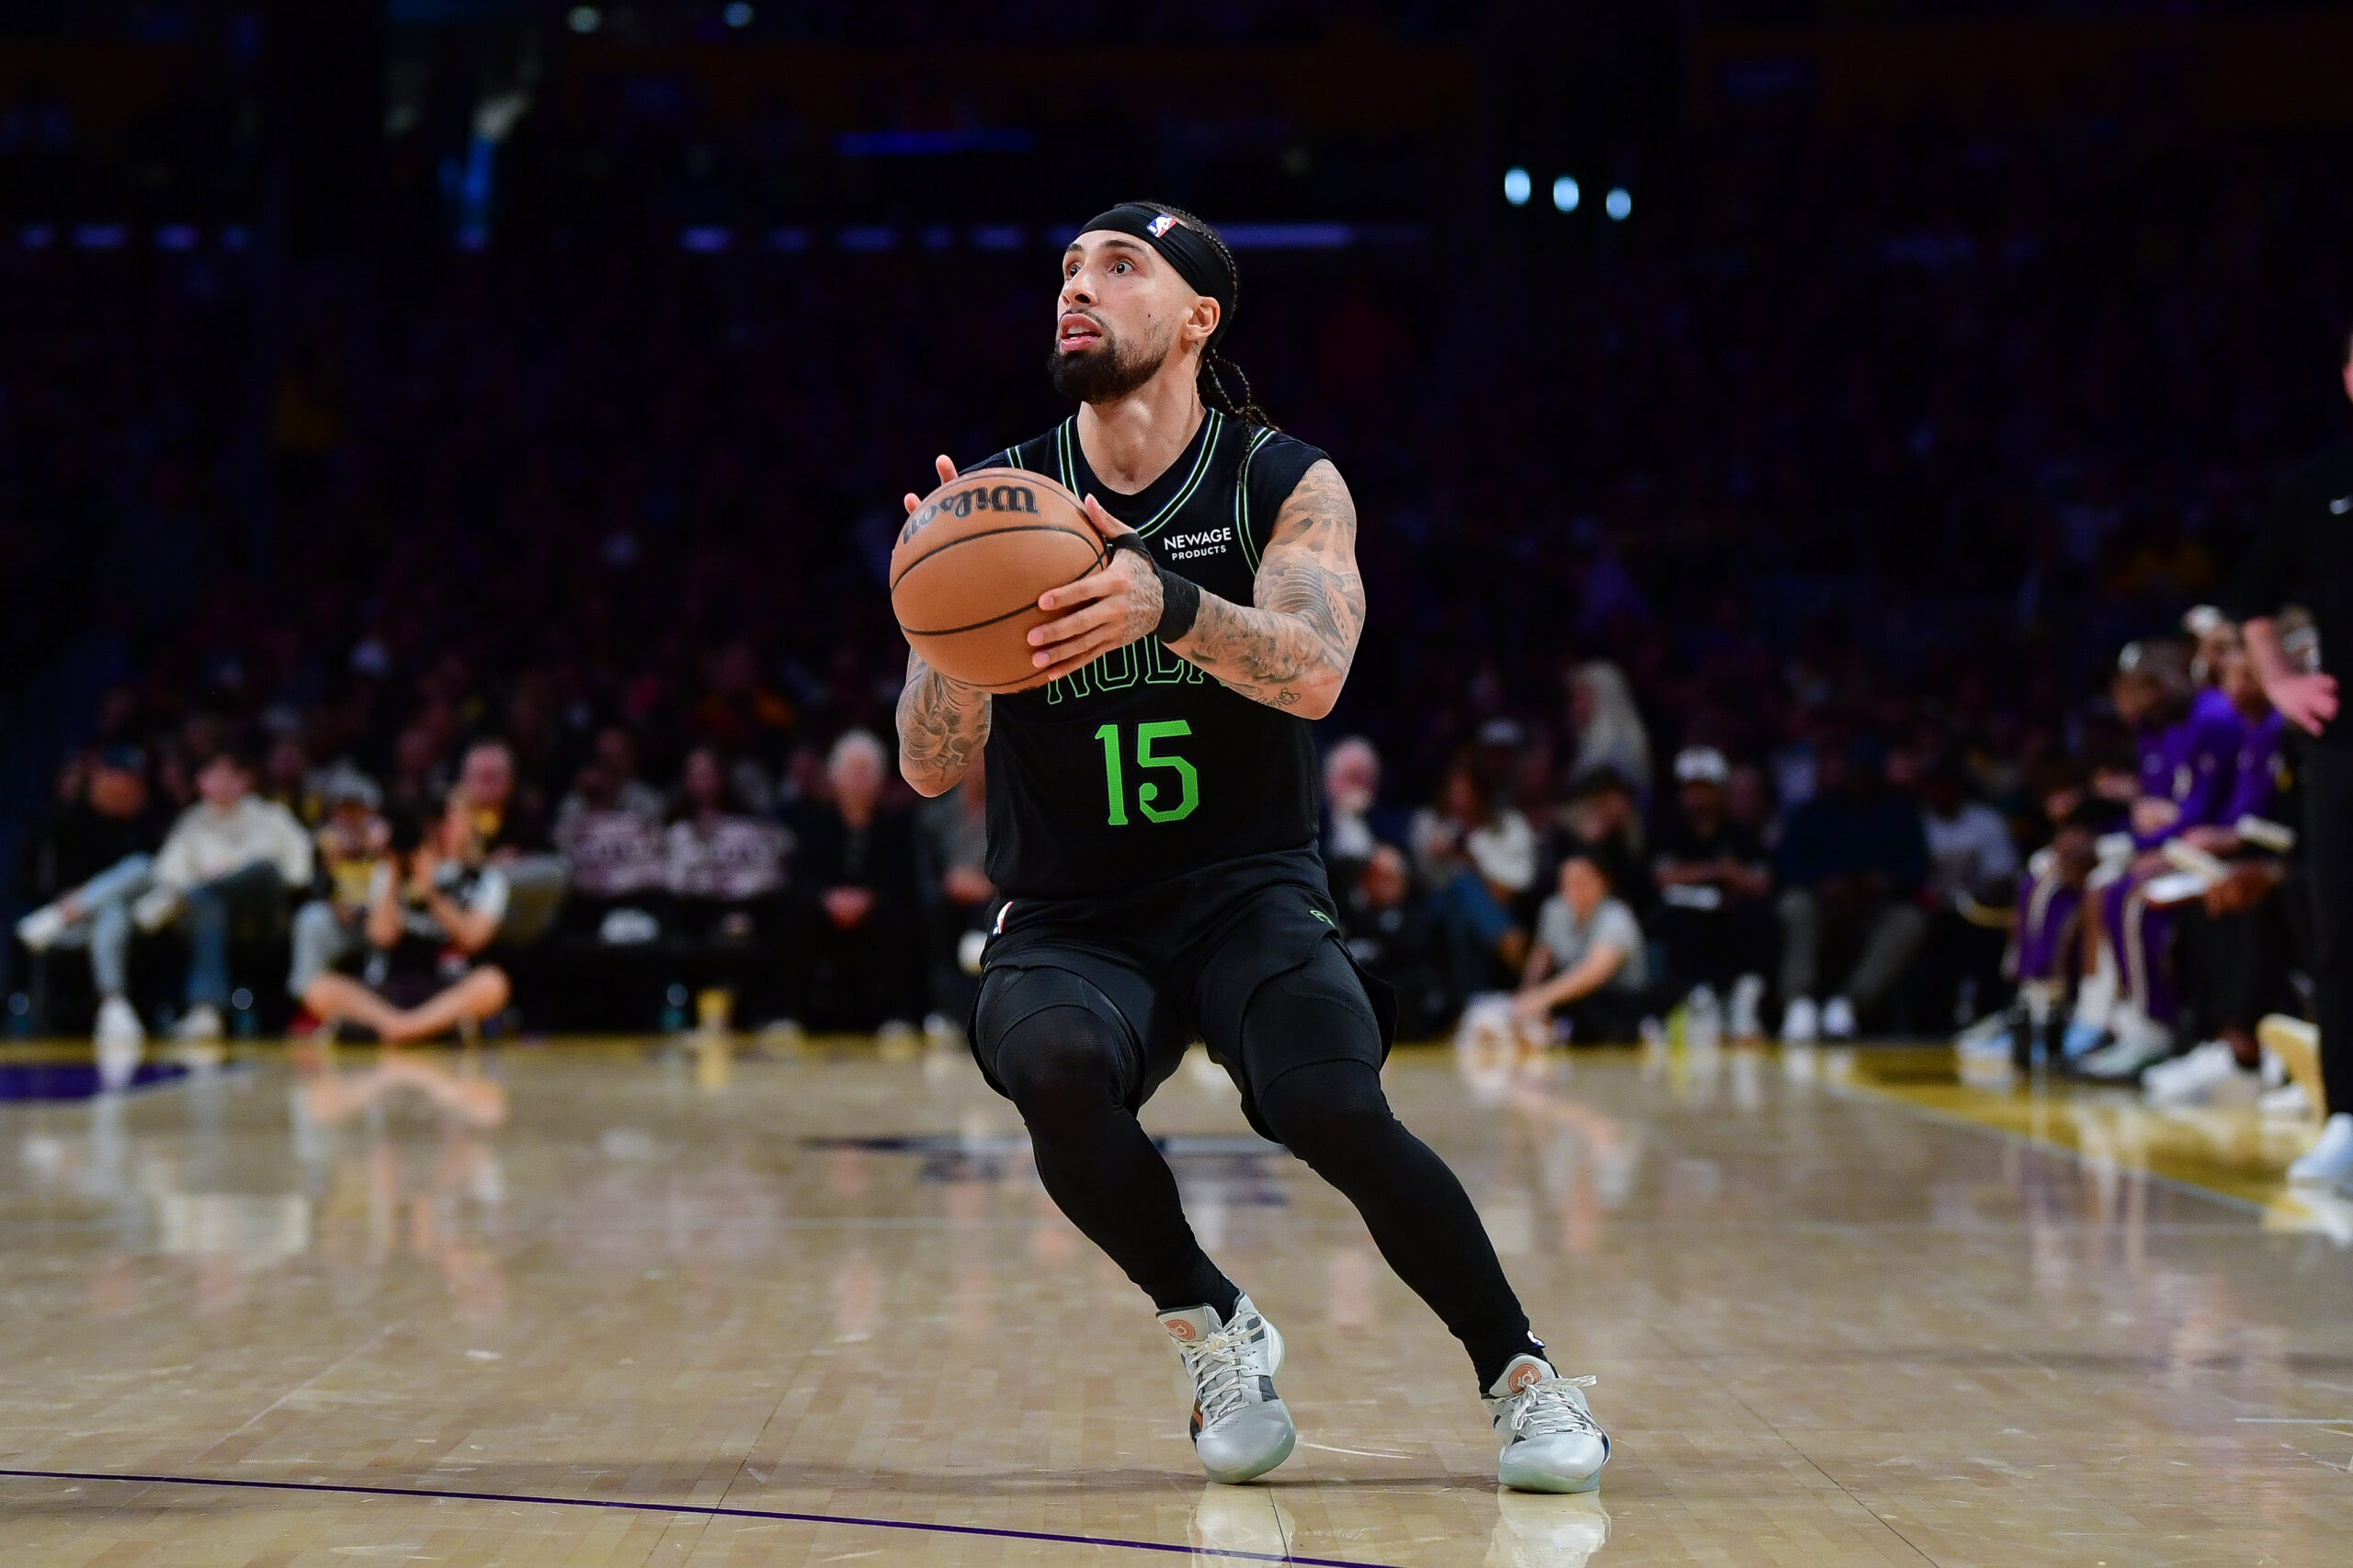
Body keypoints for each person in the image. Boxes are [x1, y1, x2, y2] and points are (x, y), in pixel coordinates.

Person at [892, 202, 1605, 1493]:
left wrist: (1163, 600)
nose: (1079, 286)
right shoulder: (1002, 494)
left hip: (1247, 890)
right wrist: (947, 625)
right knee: (1049, 1060)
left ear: (1199, 315)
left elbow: (1318, 669)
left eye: (1120, 266)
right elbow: (928, 761)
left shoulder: (1281, 479)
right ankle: (1212, 1320)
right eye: (1067, 267)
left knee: (1332, 1099)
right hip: (1069, 909)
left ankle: (1522, 1372)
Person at [2233, 324, 2353, 1183]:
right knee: (2343, 928)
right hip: (2346, 739)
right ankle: (2348, 1116)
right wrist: (2279, 681)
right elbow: (2254, 599)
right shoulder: (2317, 486)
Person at [298, 798, 512, 1043]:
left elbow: (473, 939)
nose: (439, 830)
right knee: (319, 988)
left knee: (493, 983)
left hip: (447, 986)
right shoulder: (391, 870)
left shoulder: (486, 879)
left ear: (469, 825)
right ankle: (413, 1029)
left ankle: (397, 1030)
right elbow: (382, 936)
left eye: (448, 821)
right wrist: (394, 870)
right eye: (433, 823)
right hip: (390, 985)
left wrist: (430, 891)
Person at [142, 747, 314, 1040]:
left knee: (262, 870)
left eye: (230, 776)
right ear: (201, 781)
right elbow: (167, 874)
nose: (222, 783)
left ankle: (207, 1007)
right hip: (207, 918)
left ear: (245, 780)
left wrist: (226, 877)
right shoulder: (191, 823)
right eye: (214, 776)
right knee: (206, 905)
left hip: (262, 913)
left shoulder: (272, 817)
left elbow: (299, 871)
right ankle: (207, 1011)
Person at [1775, 739, 1930, 1041]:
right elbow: (1786, 868)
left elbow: (1917, 872)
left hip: (1874, 911)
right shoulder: (1813, 813)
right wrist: (1823, 882)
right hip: (1823, 907)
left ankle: (1847, 1004)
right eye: (1856, 772)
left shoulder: (1900, 815)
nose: (1861, 779)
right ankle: (1800, 1003)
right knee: (1795, 905)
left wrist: (1884, 882)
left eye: (1868, 773)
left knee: (1910, 920)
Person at [15, 745, 165, 1050]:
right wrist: (62, 896)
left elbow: (159, 877)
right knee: (110, 910)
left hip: (134, 922)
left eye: (131, 780)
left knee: (138, 869)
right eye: (115, 778)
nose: (122, 786)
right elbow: (29, 881)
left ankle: (64, 914)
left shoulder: (148, 824)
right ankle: (114, 1003)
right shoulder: (66, 822)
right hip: (80, 926)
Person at [788, 730, 924, 1039]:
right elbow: (802, 877)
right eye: (851, 771)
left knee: (905, 920)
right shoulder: (815, 822)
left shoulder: (896, 825)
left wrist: (868, 899)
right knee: (792, 917)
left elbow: (902, 878)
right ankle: (790, 1013)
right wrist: (828, 899)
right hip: (825, 910)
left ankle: (899, 1015)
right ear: (834, 776)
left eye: (866, 771)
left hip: (877, 910)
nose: (858, 779)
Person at [1646, 746, 1773, 1040]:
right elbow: (1662, 877)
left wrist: (1728, 878)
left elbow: (1760, 882)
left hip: (1731, 917)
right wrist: (1719, 871)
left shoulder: (1740, 833)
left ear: (1721, 791)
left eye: (1706, 788)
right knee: (1674, 918)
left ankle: (1744, 1001)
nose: (1698, 798)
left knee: (1757, 917)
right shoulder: (1669, 832)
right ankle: (1698, 1001)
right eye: (1692, 788)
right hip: (1685, 919)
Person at [1512, 850, 1652, 1044]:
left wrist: (1541, 997)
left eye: (1580, 880)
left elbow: (1594, 972)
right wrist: (1524, 997)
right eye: (1565, 881)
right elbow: (1541, 957)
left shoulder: (1617, 917)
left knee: (1586, 1007)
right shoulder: (1554, 910)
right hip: (1569, 997)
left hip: (1616, 1000)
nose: (1571, 888)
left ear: (1602, 882)